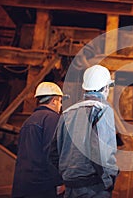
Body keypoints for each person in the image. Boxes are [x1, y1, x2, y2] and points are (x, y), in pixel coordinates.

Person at [50, 65, 119, 198]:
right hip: (93, 187)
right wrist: (108, 180)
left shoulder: (67, 113)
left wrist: (66, 176)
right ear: (105, 88)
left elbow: (53, 152)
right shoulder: (102, 110)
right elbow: (101, 152)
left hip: (70, 187)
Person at [12, 82, 65, 198]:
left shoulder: (28, 121)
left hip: (23, 183)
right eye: (60, 101)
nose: (60, 106)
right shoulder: (53, 119)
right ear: (54, 101)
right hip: (43, 186)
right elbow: (52, 153)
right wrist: (59, 181)